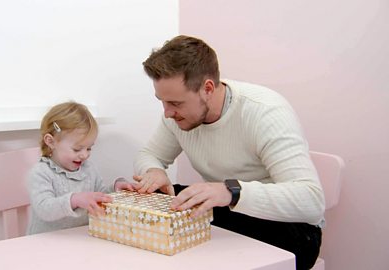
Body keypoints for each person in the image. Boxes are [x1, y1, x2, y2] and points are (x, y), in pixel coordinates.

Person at [133, 35, 324, 270]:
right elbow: (149, 154)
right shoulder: (177, 117)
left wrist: (232, 192)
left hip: (289, 227)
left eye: (176, 103)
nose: (167, 113)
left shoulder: (265, 112)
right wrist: (153, 171)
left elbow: (311, 201)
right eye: (162, 102)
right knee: (163, 198)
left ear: (208, 89)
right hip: (228, 209)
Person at [27, 101, 134, 235]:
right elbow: (44, 209)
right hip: (46, 242)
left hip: (80, 239)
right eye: (77, 149)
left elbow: (99, 195)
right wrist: (75, 199)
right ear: (51, 142)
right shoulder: (41, 173)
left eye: (89, 148)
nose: (84, 155)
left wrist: (115, 188)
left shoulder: (88, 169)